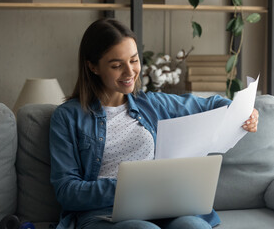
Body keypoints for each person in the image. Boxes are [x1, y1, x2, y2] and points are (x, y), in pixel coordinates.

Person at [49, 18, 259, 229]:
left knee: (194, 226)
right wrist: (129, 187)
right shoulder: (67, 117)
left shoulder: (152, 103)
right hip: (104, 214)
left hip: (163, 207)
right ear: (93, 66)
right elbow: (67, 191)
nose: (130, 72)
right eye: (116, 65)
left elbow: (213, 104)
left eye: (133, 60)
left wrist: (245, 112)